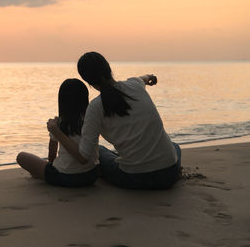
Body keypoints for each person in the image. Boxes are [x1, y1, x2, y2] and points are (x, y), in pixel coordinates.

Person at [47, 52, 181, 190]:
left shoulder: (95, 107)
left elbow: (83, 158)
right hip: (170, 173)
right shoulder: (135, 85)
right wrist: (151, 77)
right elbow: (143, 79)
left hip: (136, 178)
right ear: (109, 68)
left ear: (88, 81)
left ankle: (128, 159)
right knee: (174, 146)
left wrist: (56, 131)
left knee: (100, 151)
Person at [16, 78, 100, 187]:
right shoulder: (92, 120)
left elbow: (52, 155)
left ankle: (38, 173)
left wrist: (49, 168)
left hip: (65, 177)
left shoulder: (59, 124)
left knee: (21, 156)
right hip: (91, 176)